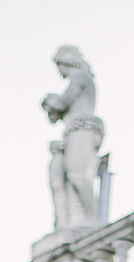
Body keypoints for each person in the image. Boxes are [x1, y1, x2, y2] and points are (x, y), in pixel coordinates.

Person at [41, 47, 103, 231]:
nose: (59, 71)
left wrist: (48, 101)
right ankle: (74, 220)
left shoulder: (80, 78)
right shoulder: (80, 79)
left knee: (77, 175)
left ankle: (92, 220)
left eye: (59, 65)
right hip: (74, 132)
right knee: (67, 177)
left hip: (82, 130)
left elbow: (63, 102)